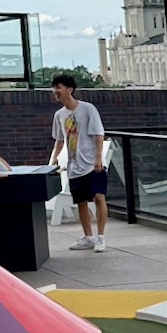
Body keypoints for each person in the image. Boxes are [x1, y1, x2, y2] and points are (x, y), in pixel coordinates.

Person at [50, 74, 109, 252]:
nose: (55, 91)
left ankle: (100, 237)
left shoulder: (88, 109)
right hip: (74, 166)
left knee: (99, 197)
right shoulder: (59, 115)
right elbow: (59, 139)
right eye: (54, 88)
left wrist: (98, 158)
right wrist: (53, 158)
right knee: (81, 202)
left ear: (69, 89)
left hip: (92, 163)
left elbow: (99, 134)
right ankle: (88, 237)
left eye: (58, 87)